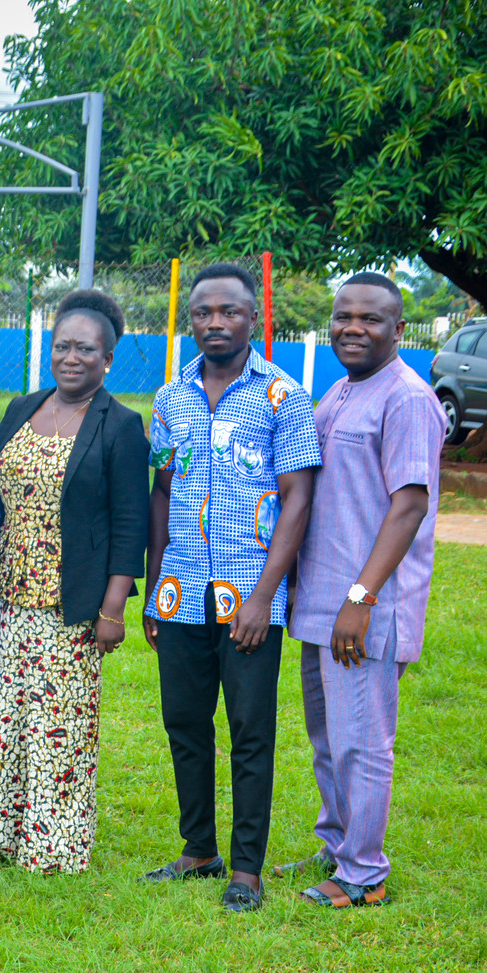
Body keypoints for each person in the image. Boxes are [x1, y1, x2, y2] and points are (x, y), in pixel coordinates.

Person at [141, 263, 320, 913]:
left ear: (252, 319)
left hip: (249, 594)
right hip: (180, 590)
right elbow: (162, 492)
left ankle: (245, 868)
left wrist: (263, 597)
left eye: (229, 312)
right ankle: (198, 849)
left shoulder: (282, 396)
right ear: (190, 320)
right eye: (203, 313)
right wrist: (154, 586)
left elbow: (298, 499)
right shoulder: (170, 399)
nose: (215, 323)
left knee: (249, 730)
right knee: (184, 722)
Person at [0, 290, 149, 874]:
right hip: (15, 591)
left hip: (73, 599)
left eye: (86, 349)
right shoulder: (23, 407)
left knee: (59, 722)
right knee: (6, 715)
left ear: (108, 358)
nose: (72, 358)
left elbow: (131, 524)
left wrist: (114, 608)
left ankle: (54, 847)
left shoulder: (121, 425)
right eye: (62, 346)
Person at [279, 272, 442, 908]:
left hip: (364, 607)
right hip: (321, 602)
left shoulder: (407, 399)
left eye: (369, 319)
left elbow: (410, 506)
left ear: (398, 329)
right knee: (329, 738)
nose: (353, 328)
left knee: (363, 742)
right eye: (343, 316)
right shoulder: (341, 391)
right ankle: (338, 844)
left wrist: (361, 598)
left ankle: (364, 873)